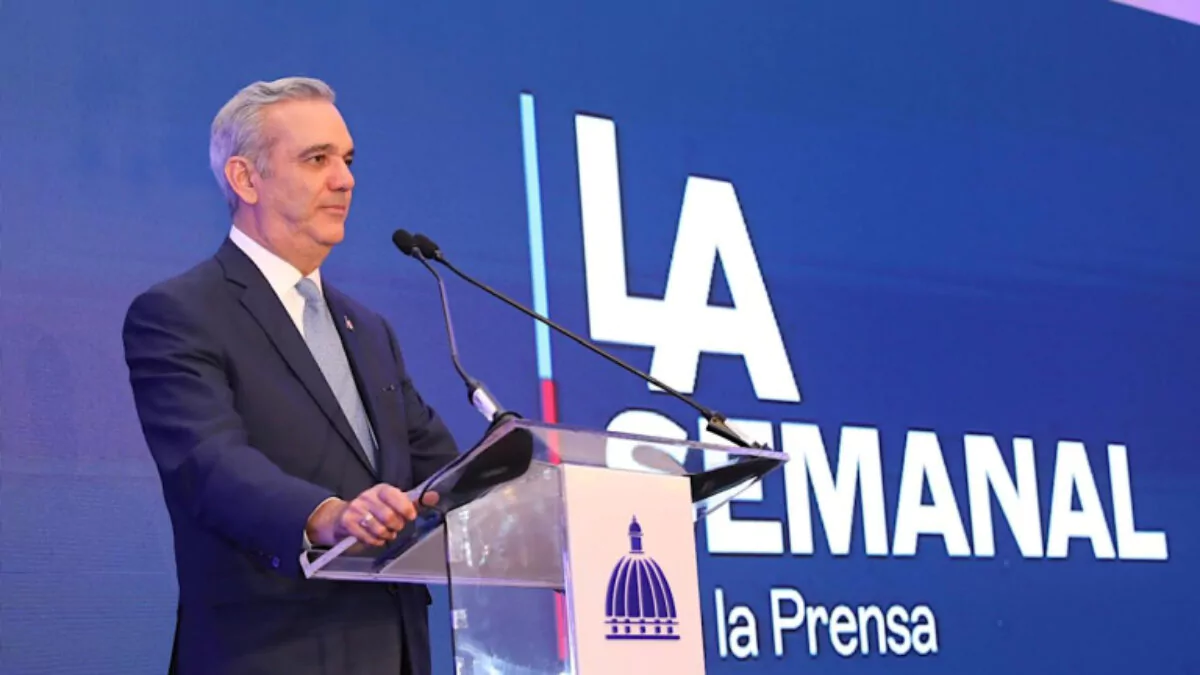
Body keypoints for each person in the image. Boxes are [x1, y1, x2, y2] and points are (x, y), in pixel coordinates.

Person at [122, 76, 460, 675]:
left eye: (348, 160)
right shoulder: (181, 313)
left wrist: (514, 478)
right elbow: (210, 464)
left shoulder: (369, 330)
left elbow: (440, 471)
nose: (345, 179)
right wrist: (329, 515)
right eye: (317, 159)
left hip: (393, 651)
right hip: (268, 651)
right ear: (245, 179)